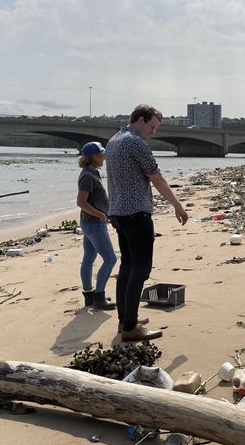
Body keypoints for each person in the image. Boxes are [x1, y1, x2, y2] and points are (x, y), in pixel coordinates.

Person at [106, 104, 188, 342]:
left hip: (118, 212)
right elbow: (157, 178)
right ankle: (131, 327)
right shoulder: (135, 143)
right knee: (140, 269)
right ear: (140, 119)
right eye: (152, 127)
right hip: (136, 214)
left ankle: (125, 320)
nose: (153, 132)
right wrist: (177, 206)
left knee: (127, 267)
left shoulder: (114, 141)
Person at [76, 141, 118, 311]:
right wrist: (101, 214)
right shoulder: (87, 176)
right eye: (101, 154)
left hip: (89, 223)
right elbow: (81, 202)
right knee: (110, 259)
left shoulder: (91, 173)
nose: (104, 157)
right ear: (93, 157)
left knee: (89, 258)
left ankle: (89, 296)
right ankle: (99, 297)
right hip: (94, 224)